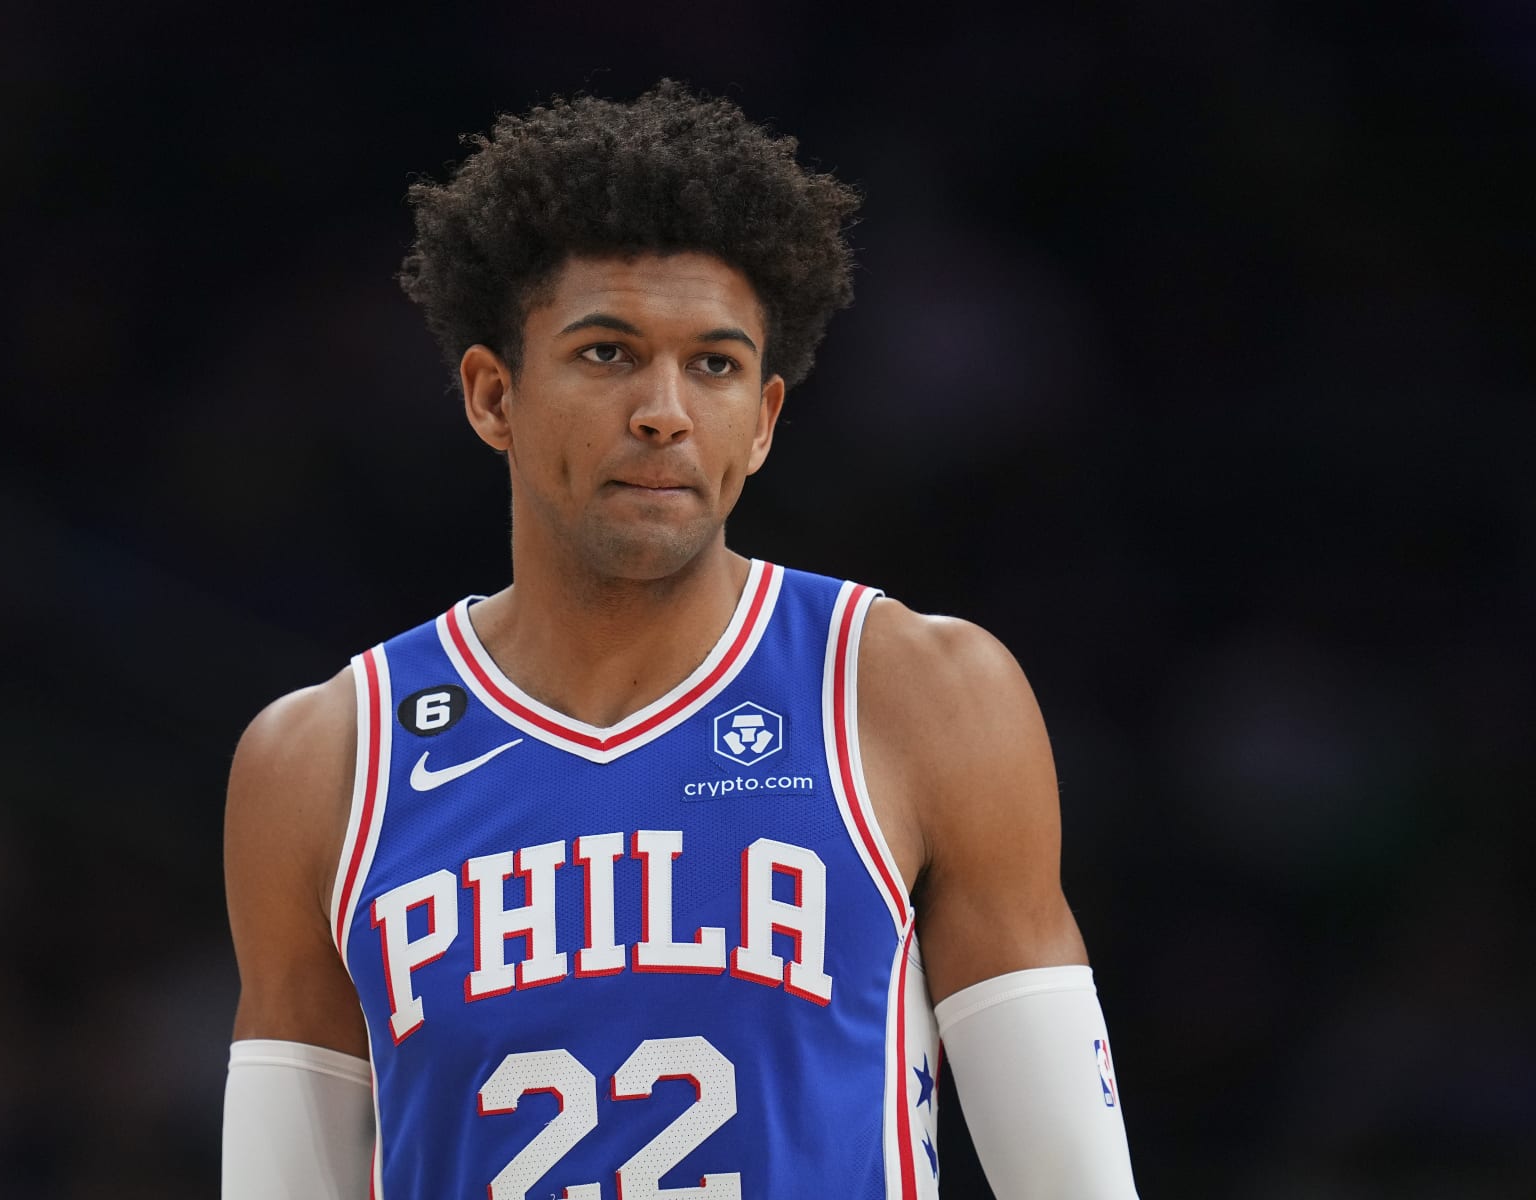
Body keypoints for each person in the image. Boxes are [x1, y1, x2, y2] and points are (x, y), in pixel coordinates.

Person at [221, 81, 1138, 1199]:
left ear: (762, 420)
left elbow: (1075, 1184)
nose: (664, 410)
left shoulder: (915, 691)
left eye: (714, 365)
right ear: (491, 395)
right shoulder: (323, 761)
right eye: (607, 354)